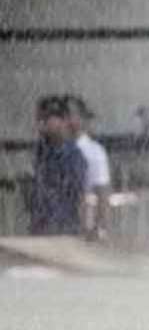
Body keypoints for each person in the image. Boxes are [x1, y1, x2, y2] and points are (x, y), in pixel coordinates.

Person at [29, 96, 87, 236]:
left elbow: (75, 195)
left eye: (47, 118)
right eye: (40, 119)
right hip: (41, 227)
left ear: (62, 120)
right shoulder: (41, 152)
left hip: (64, 227)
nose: (42, 124)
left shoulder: (72, 155)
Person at [64, 95, 112, 242]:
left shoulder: (94, 151)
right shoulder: (52, 151)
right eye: (63, 115)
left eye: (70, 114)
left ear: (82, 118)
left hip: (82, 224)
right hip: (55, 223)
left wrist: (101, 227)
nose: (66, 119)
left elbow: (103, 193)